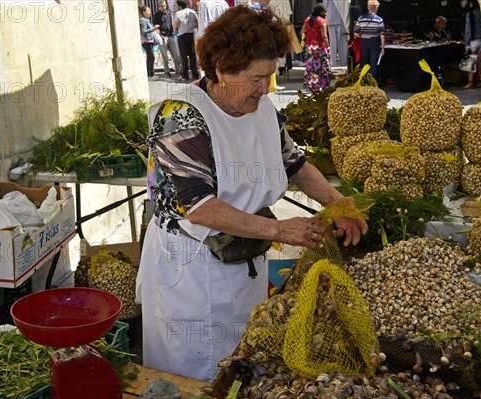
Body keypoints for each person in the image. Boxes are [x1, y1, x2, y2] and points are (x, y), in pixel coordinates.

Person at [136, 6, 368, 382]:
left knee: (244, 363)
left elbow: (295, 164)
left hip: (245, 260)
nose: (266, 88)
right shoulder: (180, 116)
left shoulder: (260, 109)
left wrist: (338, 203)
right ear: (221, 71)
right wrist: (280, 231)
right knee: (194, 375)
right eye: (257, 78)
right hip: (192, 271)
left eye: (270, 76)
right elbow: (199, 208)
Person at [300, 4, 333, 91]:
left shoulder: (307, 20)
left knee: (311, 67)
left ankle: (311, 84)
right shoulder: (322, 21)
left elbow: (302, 31)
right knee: (323, 66)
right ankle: (322, 84)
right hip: (319, 47)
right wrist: (328, 48)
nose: (325, 13)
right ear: (320, 12)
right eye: (324, 11)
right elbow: (324, 37)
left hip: (309, 48)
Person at [354, 0, 385, 81]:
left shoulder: (361, 19)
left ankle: (362, 81)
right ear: (376, 8)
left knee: (363, 62)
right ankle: (373, 83)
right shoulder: (379, 19)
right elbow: (382, 35)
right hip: (375, 42)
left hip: (364, 42)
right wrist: (383, 47)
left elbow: (356, 33)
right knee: (373, 64)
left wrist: (363, 35)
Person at [153, 0, 182, 79]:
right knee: (164, 56)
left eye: (164, 5)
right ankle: (167, 72)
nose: (163, 7)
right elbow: (156, 28)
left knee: (175, 55)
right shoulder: (156, 15)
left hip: (171, 36)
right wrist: (160, 35)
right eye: (162, 6)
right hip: (163, 37)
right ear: (159, 7)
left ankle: (178, 71)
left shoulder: (169, 13)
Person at [173, 0, 199, 81]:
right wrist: (192, 27)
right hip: (191, 35)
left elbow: (175, 25)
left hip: (182, 36)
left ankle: (185, 75)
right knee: (192, 56)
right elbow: (197, 23)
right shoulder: (193, 12)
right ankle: (195, 74)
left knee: (183, 56)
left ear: (179, 6)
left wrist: (176, 30)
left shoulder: (178, 13)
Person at [463, 0, 481, 89]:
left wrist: (467, 43)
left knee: (471, 62)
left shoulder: (470, 14)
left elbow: (468, 29)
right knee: (480, 62)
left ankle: (470, 82)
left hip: (473, 40)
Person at [324, 0, 349, 67]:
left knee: (332, 42)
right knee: (342, 41)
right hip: (342, 17)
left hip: (330, 15)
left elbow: (325, 4)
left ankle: (333, 62)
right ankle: (343, 62)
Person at [139, 5, 160, 81]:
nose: (150, 12)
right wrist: (153, 28)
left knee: (150, 57)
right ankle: (150, 74)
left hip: (149, 41)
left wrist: (153, 29)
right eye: (148, 11)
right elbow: (144, 31)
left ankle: (150, 74)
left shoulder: (146, 20)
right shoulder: (143, 20)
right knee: (151, 57)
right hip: (146, 41)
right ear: (144, 12)